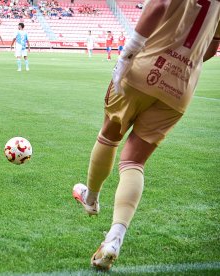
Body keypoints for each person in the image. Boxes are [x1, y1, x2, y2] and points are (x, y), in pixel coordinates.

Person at [72, 0, 220, 271]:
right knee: (134, 162)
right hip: (181, 85)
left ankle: (91, 199)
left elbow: (160, 5)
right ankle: (114, 239)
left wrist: (127, 54)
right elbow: (211, 46)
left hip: (144, 67)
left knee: (109, 135)